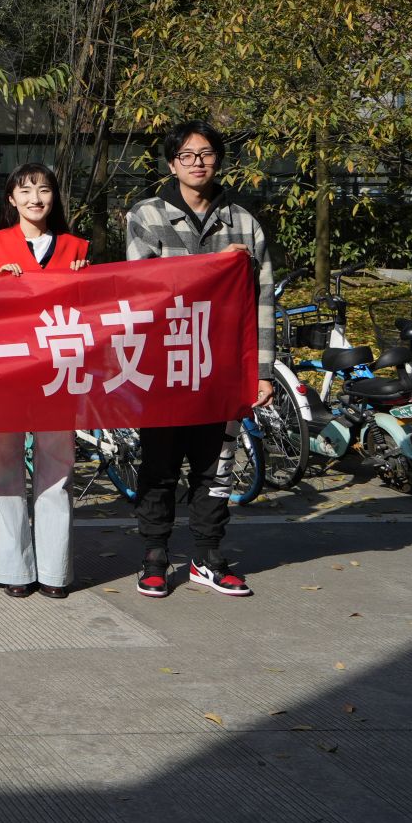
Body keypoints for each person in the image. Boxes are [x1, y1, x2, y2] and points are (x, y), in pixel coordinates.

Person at [125, 121, 272, 599]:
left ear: (218, 160)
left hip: (223, 366)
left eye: (206, 154)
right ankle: (154, 556)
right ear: (172, 165)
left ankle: (208, 556)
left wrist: (263, 371)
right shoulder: (147, 215)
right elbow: (142, 286)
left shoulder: (244, 222)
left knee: (216, 465)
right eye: (186, 155)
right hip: (164, 364)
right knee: (160, 463)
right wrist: (213, 264)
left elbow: (263, 300)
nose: (197, 163)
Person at [0, 164, 90, 600]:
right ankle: (12, 566)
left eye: (44, 190)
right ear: (11, 199)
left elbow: (98, 310)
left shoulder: (77, 248)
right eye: (25, 190)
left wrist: (86, 280)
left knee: (57, 467)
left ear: (54, 197)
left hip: (59, 371)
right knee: (4, 464)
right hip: (5, 370)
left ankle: (55, 569)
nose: (35, 198)